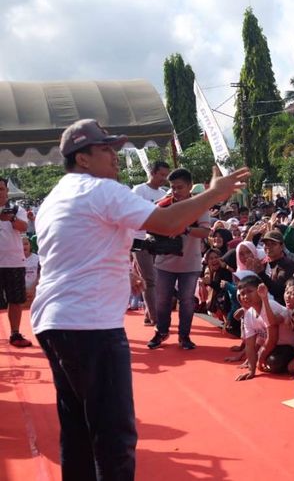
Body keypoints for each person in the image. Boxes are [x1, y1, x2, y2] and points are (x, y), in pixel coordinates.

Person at [31, 118, 248, 480]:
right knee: (114, 435)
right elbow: (167, 224)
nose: (115, 158)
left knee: (79, 429)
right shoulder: (99, 190)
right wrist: (214, 193)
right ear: (82, 159)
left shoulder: (58, 195)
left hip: (57, 321)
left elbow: (93, 241)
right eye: (106, 150)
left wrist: (122, 266)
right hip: (91, 325)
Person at [149, 168, 211, 350]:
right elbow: (150, 227)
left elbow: (206, 232)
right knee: (161, 299)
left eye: (180, 187)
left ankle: (184, 336)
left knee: (186, 301)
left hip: (190, 264)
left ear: (190, 186)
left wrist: (185, 229)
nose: (176, 191)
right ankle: (161, 331)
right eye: (173, 188)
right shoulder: (162, 205)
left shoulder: (199, 206)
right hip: (164, 263)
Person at [131, 161, 169, 325]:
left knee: (156, 279)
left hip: (158, 241)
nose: (164, 178)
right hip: (139, 240)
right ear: (152, 173)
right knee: (150, 278)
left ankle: (149, 313)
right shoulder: (138, 190)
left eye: (165, 175)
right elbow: (132, 215)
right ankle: (155, 318)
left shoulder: (164, 194)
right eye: (161, 174)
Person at [0, 176, 32, 347]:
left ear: (6, 191)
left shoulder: (15, 208)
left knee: (15, 299)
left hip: (13, 261)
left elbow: (24, 227)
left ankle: (15, 333)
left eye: (1, 189)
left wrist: (11, 219)